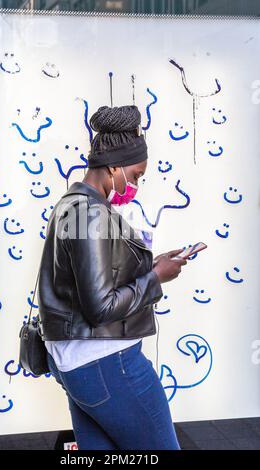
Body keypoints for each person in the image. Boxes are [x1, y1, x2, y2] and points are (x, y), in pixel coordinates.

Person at [38, 105, 187, 450]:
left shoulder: (72, 205)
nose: (135, 184)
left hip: (80, 364)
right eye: (134, 176)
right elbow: (100, 307)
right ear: (114, 166)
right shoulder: (89, 213)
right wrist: (156, 279)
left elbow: (92, 284)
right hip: (108, 364)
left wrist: (151, 267)